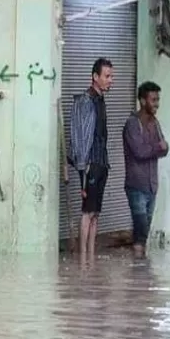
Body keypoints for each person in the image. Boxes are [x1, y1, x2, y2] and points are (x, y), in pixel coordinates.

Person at [68, 57, 114, 258]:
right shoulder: (84, 102)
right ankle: (83, 260)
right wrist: (82, 166)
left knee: (96, 214)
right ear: (95, 77)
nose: (110, 80)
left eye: (111, 76)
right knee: (87, 212)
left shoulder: (100, 100)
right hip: (89, 164)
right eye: (107, 76)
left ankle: (91, 260)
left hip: (102, 162)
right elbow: (78, 136)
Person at [122, 81, 169, 257]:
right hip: (136, 185)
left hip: (151, 186)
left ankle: (141, 273)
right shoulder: (133, 124)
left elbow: (165, 147)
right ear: (142, 101)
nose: (157, 104)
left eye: (158, 100)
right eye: (153, 100)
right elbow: (139, 151)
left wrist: (160, 147)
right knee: (140, 228)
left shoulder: (155, 123)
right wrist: (158, 147)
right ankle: (139, 270)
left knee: (144, 231)